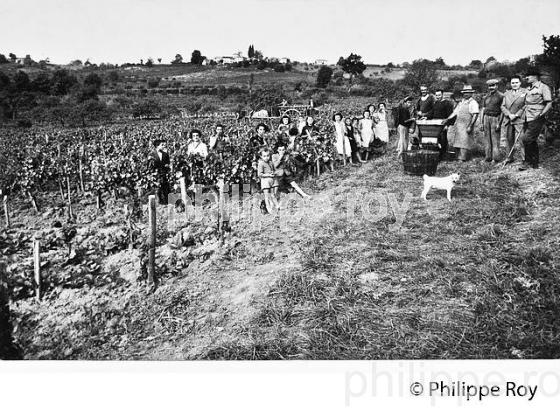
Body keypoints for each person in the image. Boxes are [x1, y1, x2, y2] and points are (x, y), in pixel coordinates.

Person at [519, 67, 553, 170]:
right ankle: (534, 163)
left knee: (526, 139)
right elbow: (526, 103)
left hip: (536, 117)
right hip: (527, 117)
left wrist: (542, 114)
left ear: (535, 77)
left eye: (528, 76)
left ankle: (529, 161)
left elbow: (549, 103)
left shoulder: (543, 87)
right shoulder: (528, 89)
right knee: (531, 140)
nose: (526, 78)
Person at [445, 85, 480, 162]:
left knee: (465, 141)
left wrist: (470, 126)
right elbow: (455, 112)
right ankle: (457, 157)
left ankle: (463, 158)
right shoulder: (461, 102)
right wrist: (447, 119)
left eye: (468, 92)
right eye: (465, 93)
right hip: (459, 125)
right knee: (457, 141)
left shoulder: (473, 102)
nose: (466, 94)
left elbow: (475, 114)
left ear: (471, 93)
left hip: (466, 125)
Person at [500, 75, 527, 164]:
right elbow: (502, 106)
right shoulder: (507, 93)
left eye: (516, 82)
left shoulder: (525, 92)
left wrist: (516, 114)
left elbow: (526, 105)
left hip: (519, 119)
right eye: (512, 83)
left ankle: (524, 159)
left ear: (520, 83)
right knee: (509, 139)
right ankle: (509, 158)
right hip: (509, 119)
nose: (514, 84)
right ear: (510, 84)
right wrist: (509, 114)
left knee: (522, 140)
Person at [480, 79, 504, 162]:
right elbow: (483, 110)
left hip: (495, 118)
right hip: (486, 118)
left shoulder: (501, 96)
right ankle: (488, 157)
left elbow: (502, 111)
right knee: (487, 139)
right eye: (490, 86)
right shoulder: (486, 96)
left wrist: (499, 123)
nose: (491, 87)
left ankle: (495, 158)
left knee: (495, 139)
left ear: (497, 86)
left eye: (493, 85)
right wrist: (481, 122)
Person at [432, 89, 455, 160]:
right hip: (435, 124)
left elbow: (450, 115)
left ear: (442, 95)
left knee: (443, 140)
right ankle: (437, 155)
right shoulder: (435, 103)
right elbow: (432, 113)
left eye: (439, 95)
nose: (438, 96)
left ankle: (443, 155)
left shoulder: (447, 103)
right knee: (436, 140)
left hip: (443, 124)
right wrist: (425, 116)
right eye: (436, 95)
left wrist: (447, 125)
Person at [148, 139, 170, 205]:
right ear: (157, 146)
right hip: (156, 174)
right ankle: (158, 202)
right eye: (162, 145)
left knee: (165, 188)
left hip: (164, 173)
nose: (164, 146)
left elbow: (167, 163)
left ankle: (166, 202)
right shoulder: (151, 154)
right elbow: (149, 165)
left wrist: (167, 168)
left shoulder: (165, 154)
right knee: (157, 189)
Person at [257, 148, 279, 213]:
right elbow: (260, 174)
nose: (266, 157)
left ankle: (276, 206)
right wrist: (268, 175)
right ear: (261, 156)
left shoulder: (270, 163)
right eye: (264, 156)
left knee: (272, 194)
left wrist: (273, 173)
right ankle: (268, 208)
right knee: (267, 195)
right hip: (265, 181)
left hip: (271, 181)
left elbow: (273, 170)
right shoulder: (261, 164)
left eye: (268, 156)